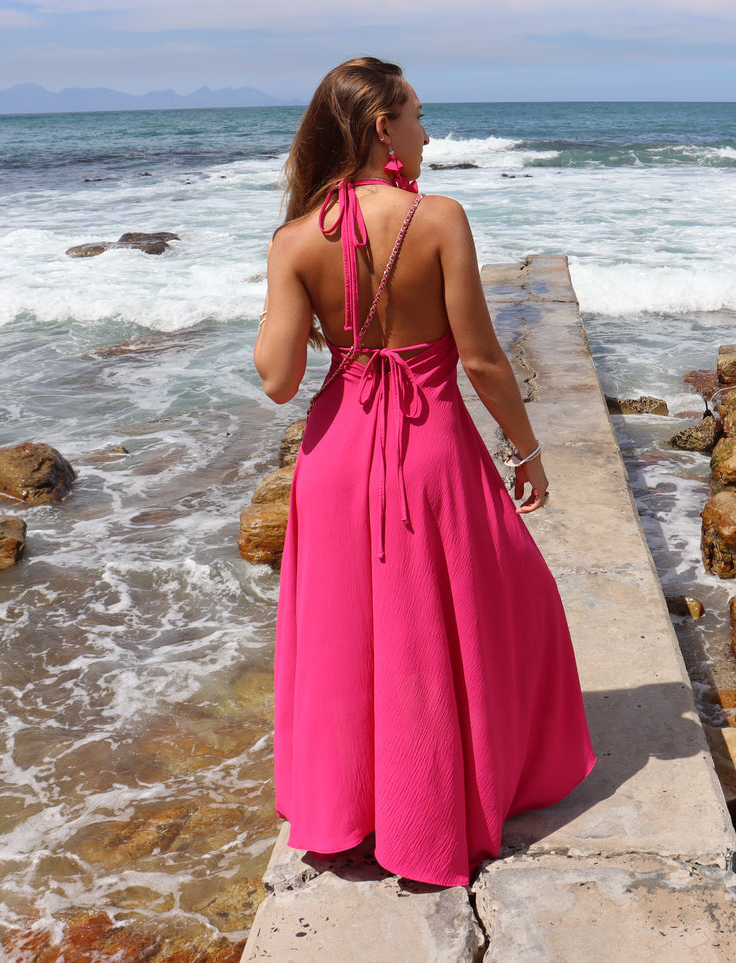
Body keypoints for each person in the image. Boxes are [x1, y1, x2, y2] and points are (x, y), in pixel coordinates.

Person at [253, 57, 595, 888]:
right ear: (382, 128)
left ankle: (347, 815)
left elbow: (277, 378)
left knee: (348, 631)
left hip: (336, 455)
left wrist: (296, 282)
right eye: (415, 115)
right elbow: (478, 357)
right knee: (460, 621)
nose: (427, 131)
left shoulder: (295, 239)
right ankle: (434, 808)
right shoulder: (438, 218)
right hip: (431, 446)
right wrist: (527, 448)